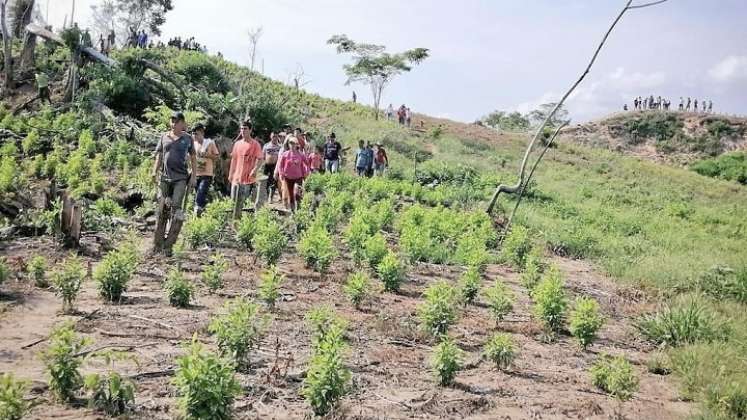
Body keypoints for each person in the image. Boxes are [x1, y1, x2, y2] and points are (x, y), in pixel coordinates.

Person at [152, 112, 197, 255]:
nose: (173, 124)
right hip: (165, 177)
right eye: (172, 121)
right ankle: (157, 244)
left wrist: (194, 176)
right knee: (161, 207)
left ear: (182, 123)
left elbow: (193, 157)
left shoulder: (187, 138)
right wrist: (154, 171)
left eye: (176, 121)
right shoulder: (164, 137)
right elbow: (159, 156)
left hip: (180, 178)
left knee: (177, 209)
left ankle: (168, 245)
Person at [228, 121, 264, 219]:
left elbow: (260, 159)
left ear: (250, 130)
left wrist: (255, 170)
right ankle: (234, 223)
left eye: (245, 129)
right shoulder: (237, 144)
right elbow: (234, 160)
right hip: (236, 178)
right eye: (242, 129)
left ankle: (244, 225)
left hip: (248, 179)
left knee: (244, 204)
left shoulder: (255, 144)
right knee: (233, 202)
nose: (243, 131)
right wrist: (230, 174)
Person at [192, 123, 219, 216]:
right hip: (196, 173)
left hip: (207, 173)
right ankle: (203, 212)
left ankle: (198, 209)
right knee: (199, 193)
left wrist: (207, 155)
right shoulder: (193, 144)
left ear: (202, 133)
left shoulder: (210, 143)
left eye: (196, 134)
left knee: (201, 191)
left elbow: (216, 156)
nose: (194, 136)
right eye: (193, 134)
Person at [275, 137, 309, 211]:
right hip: (288, 178)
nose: (292, 145)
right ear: (288, 144)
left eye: (294, 143)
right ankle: (293, 211)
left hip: (298, 177)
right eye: (290, 143)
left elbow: (307, 163)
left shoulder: (301, 154)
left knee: (296, 193)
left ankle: (299, 208)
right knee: (290, 195)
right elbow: (280, 165)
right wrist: (281, 174)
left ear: (297, 144)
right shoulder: (285, 154)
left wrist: (307, 172)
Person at [262, 132, 282, 203]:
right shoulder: (266, 145)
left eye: (276, 137)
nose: (275, 138)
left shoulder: (280, 147)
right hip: (267, 166)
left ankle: (271, 197)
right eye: (273, 136)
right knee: (265, 182)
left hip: (275, 166)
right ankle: (265, 196)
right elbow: (263, 155)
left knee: (273, 182)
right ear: (271, 137)